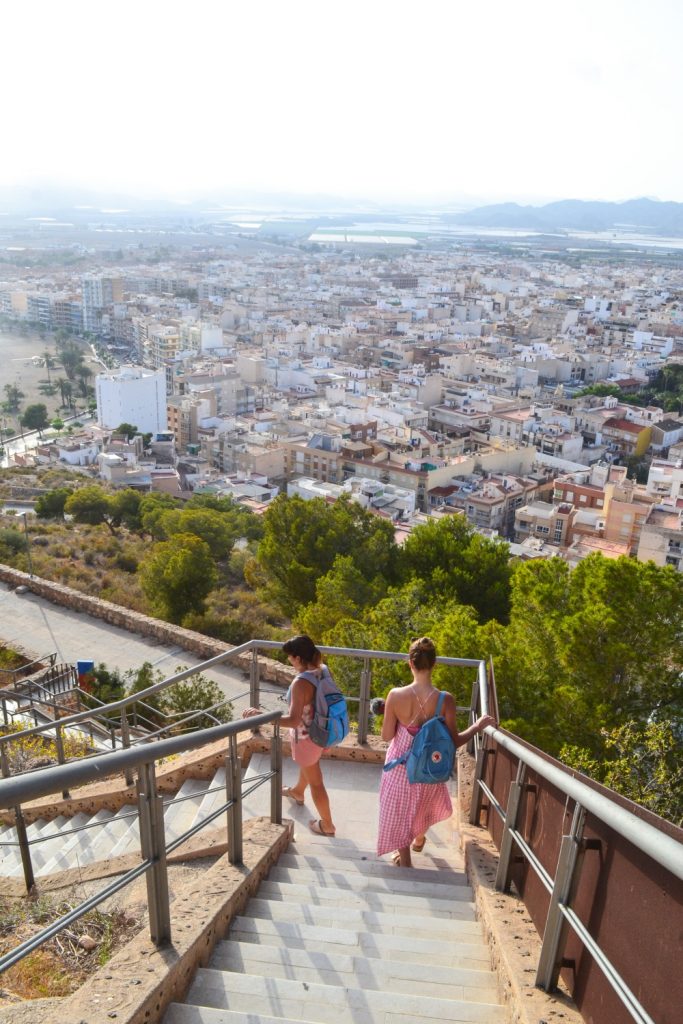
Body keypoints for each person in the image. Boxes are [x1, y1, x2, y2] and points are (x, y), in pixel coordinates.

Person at [377, 636, 495, 867]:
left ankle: (406, 861)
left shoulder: (395, 695)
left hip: (401, 767)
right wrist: (478, 725)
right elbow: (455, 741)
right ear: (434, 664)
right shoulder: (445, 700)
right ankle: (419, 838)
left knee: (401, 812)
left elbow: (386, 736)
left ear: (410, 663)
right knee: (423, 805)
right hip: (430, 767)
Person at [242, 634, 336, 838]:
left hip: (306, 738)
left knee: (317, 782)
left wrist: (262, 716)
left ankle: (327, 825)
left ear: (299, 658)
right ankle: (297, 791)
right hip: (321, 733)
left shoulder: (301, 683)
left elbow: (293, 720)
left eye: (291, 657)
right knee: (309, 767)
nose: (289, 660)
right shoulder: (322, 670)